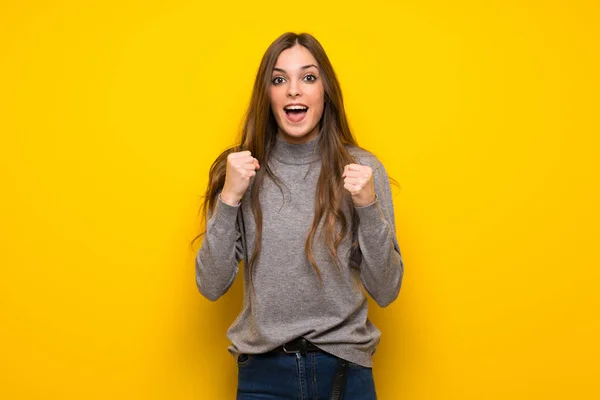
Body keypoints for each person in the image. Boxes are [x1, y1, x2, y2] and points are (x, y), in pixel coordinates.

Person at [194, 32, 404, 399]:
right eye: (279, 79)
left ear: (326, 92)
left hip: (345, 374)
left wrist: (368, 209)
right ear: (268, 95)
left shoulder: (364, 170)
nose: (294, 90)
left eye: (308, 77)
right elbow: (211, 285)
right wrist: (229, 198)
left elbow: (386, 290)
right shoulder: (242, 171)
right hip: (263, 377)